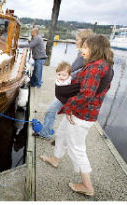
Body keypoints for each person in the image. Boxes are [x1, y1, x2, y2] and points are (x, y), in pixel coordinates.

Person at [40, 34, 114, 196]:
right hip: (81, 112)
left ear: (95, 48)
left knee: (77, 149)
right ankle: (56, 159)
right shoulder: (102, 65)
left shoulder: (95, 68)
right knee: (60, 134)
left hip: (82, 115)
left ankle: (88, 186)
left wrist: (68, 108)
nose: (82, 50)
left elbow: (87, 95)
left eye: (86, 47)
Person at [37, 29, 94, 138]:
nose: (75, 41)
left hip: (69, 89)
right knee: (55, 112)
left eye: (77, 39)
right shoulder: (82, 54)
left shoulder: (83, 55)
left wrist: (66, 77)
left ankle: (46, 133)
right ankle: (48, 131)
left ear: (84, 41)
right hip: (70, 88)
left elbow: (80, 71)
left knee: (50, 111)